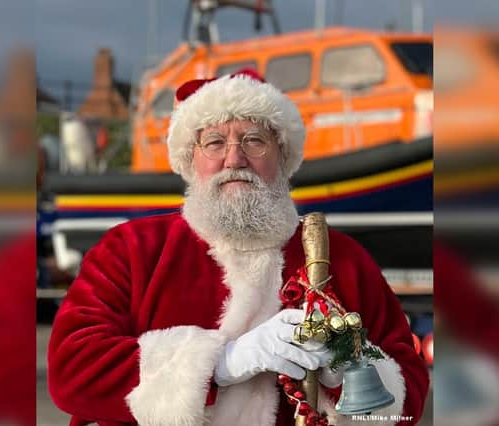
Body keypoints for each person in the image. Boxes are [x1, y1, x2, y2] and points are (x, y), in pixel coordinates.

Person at [48, 70, 429, 426]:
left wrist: (345, 368)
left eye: (254, 140)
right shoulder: (132, 249)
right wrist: (222, 363)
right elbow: (72, 367)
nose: (234, 158)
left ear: (281, 155)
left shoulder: (341, 258)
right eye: (214, 142)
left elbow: (408, 399)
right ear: (190, 159)